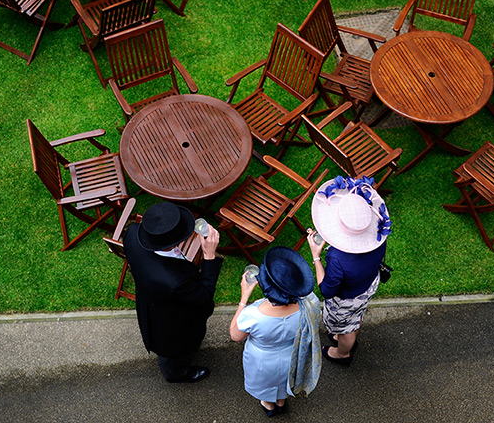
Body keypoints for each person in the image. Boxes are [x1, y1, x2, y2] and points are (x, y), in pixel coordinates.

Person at [123, 202, 223, 383]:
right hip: (170, 321)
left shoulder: (132, 233)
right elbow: (204, 298)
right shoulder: (175, 280)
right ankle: (176, 374)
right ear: (175, 242)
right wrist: (209, 257)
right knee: (173, 352)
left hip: (149, 299)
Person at [307, 176, 391, 367]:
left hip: (347, 299)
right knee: (356, 319)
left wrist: (316, 257)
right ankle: (343, 335)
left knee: (347, 329)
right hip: (368, 285)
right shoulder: (378, 235)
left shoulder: (337, 258)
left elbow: (327, 290)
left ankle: (342, 353)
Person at [229, 247, 321, 418]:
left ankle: (269, 405)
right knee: (284, 382)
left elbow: (235, 335)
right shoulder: (308, 305)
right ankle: (281, 402)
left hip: (262, 361)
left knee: (265, 384)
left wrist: (243, 299)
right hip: (292, 355)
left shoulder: (253, 314)